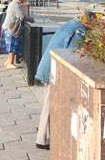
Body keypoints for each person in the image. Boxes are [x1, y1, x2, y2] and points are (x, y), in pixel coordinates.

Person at [34, 15, 90, 149]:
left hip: (49, 66)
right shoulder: (78, 31)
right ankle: (43, 139)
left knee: (49, 102)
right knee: (50, 103)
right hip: (53, 69)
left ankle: (45, 135)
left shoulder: (70, 25)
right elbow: (73, 53)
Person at [0, 0, 34, 69]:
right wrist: (31, 19)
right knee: (13, 46)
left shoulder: (13, 3)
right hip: (11, 29)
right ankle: (10, 63)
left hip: (8, 28)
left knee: (11, 46)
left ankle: (8, 61)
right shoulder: (15, 5)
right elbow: (22, 17)